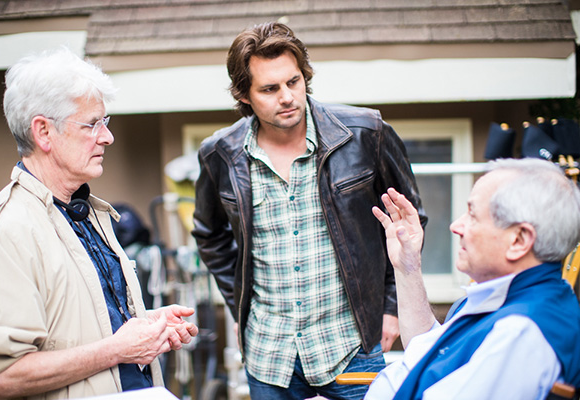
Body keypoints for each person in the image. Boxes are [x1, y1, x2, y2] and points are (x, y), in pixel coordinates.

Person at [191, 22, 426, 400]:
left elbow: (409, 223)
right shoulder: (219, 154)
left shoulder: (366, 133)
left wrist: (391, 306)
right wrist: (242, 305)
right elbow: (209, 235)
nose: (287, 97)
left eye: (293, 82)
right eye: (269, 89)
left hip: (351, 344)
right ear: (244, 95)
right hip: (270, 353)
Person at [0, 47, 198, 399]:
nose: (107, 136)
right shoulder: (5, 231)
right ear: (44, 132)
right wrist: (118, 349)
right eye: (91, 124)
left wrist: (147, 324)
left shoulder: (86, 212)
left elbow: (83, 326)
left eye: (105, 122)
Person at [365, 158, 580, 399]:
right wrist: (407, 266)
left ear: (519, 241)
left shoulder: (519, 332)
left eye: (472, 215)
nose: (455, 226)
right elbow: (429, 352)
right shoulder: (508, 297)